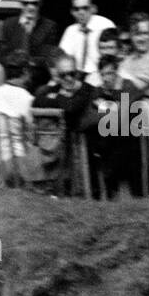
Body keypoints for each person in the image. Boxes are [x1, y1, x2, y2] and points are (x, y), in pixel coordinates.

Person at [81, 54, 143, 198]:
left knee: (135, 196)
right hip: (106, 153)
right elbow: (85, 120)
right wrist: (112, 109)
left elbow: (122, 119)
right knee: (110, 195)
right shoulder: (97, 91)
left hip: (130, 151)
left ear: (116, 71)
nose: (106, 78)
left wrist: (102, 107)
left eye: (109, 73)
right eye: (102, 74)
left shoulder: (129, 87)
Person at [32, 51, 93, 194]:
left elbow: (72, 108)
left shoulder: (86, 89)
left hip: (84, 145)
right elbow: (38, 101)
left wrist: (57, 98)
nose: (68, 78)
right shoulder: (55, 89)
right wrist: (62, 97)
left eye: (71, 73)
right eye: (63, 75)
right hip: (61, 144)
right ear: (57, 76)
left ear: (77, 72)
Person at [0, 0, 59, 90]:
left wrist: (30, 62)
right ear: (20, 4)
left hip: (37, 82)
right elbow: (3, 55)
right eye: (26, 3)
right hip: (12, 80)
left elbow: (48, 57)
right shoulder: (9, 24)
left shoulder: (49, 26)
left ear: (40, 4)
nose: (30, 7)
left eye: (34, 3)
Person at [58, 0, 116, 87]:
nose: (81, 12)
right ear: (72, 12)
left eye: (85, 8)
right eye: (76, 9)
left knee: (122, 96)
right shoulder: (70, 31)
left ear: (93, 8)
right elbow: (63, 59)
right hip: (75, 76)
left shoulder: (106, 25)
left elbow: (112, 59)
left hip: (101, 74)